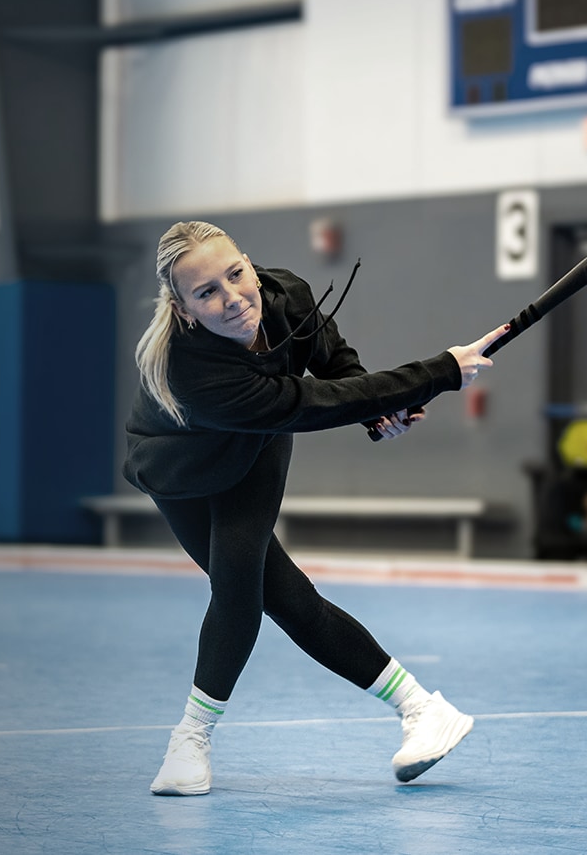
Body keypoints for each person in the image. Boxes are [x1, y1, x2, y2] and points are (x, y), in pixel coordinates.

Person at [124, 220, 509, 795]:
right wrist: (437, 374)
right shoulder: (191, 369)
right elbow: (311, 403)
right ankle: (421, 708)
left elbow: (333, 363)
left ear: (250, 264)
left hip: (256, 443)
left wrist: (379, 411)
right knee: (282, 595)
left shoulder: (286, 296)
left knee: (240, 584)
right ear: (184, 310)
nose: (233, 299)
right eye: (207, 293)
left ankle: (191, 740)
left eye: (236, 274)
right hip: (180, 466)